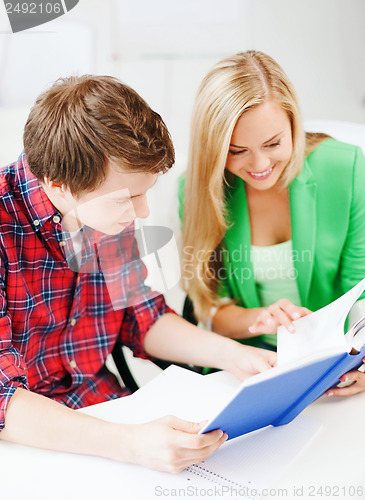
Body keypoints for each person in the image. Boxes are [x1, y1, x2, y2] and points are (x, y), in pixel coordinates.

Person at [0, 75, 276, 473]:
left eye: (145, 192)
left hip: (106, 408)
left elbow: (138, 313)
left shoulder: (103, 207)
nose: (143, 212)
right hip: (28, 439)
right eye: (127, 198)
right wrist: (130, 444)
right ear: (59, 187)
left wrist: (231, 355)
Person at [179, 51, 365, 396]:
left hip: (337, 356)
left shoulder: (347, 168)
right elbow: (212, 309)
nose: (260, 164)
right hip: (247, 362)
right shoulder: (200, 189)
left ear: (294, 124)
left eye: (273, 143)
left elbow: (361, 291)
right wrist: (261, 317)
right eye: (237, 151)